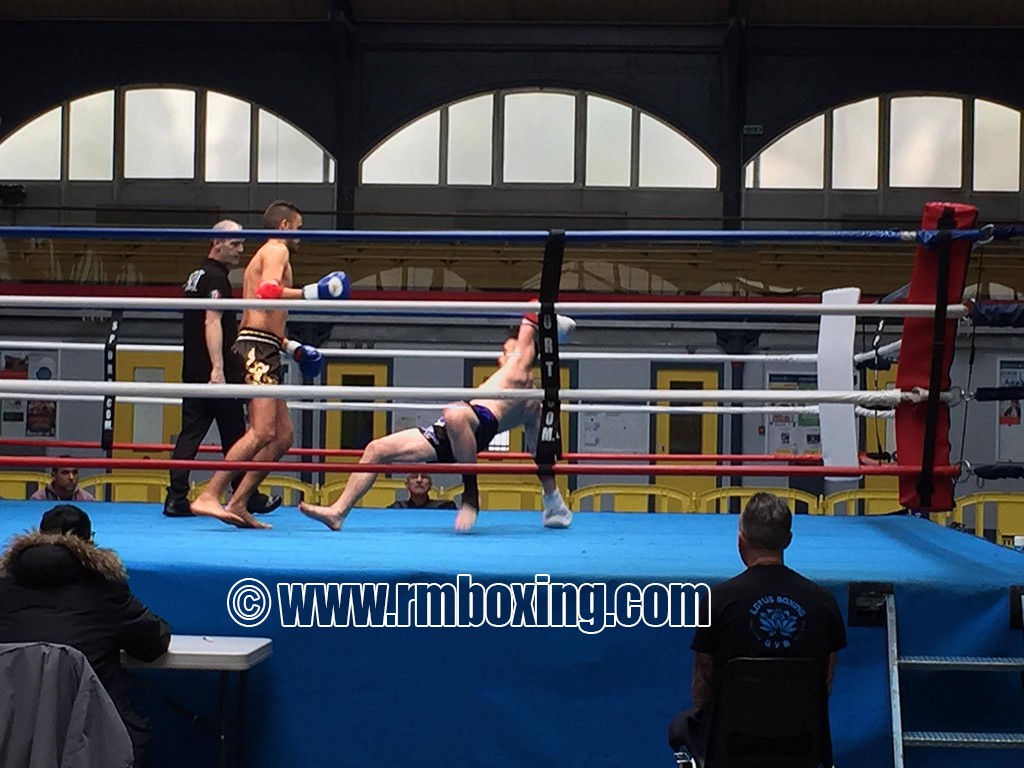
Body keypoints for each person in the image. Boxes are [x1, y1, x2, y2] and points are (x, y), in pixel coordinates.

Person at [299, 313, 576, 532]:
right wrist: (554, 501)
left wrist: (558, 327)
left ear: (524, 350)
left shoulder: (518, 369)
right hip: (449, 432)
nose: (499, 357)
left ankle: (471, 497)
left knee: (455, 412)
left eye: (506, 350)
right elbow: (539, 455)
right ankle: (338, 513)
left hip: (472, 424)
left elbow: (532, 309)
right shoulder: (532, 405)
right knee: (376, 449)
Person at [190, 200, 350, 529]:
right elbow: (268, 293)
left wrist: (292, 346)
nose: (301, 235)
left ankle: (238, 502)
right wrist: (313, 293)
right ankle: (210, 493)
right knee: (262, 431)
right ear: (284, 226)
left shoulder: (264, 254)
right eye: (299, 227)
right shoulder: (277, 250)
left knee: (282, 437)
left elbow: (264, 313)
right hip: (257, 348)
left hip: (267, 346)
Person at [667, 492, 847, 765]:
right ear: (788, 540)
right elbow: (826, 684)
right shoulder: (824, 603)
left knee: (681, 725)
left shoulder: (719, 600)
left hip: (731, 744)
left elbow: (702, 687)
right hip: (802, 742)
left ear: (741, 540)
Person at [0, 505, 172, 767]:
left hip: (8, 732)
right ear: (89, 541)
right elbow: (152, 642)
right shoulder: (105, 587)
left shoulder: (3, 587)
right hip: (93, 738)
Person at [163, 219, 281, 518]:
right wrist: (218, 370)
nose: (240, 250)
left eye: (242, 243)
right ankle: (246, 495)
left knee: (193, 432)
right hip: (216, 371)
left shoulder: (196, 275)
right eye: (234, 244)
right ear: (216, 242)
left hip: (193, 366)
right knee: (237, 434)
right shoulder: (216, 278)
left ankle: (176, 497)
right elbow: (211, 320)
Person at [29, 458, 96, 501]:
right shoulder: (38, 499)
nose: (71, 477)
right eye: (65, 473)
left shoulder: (87, 499)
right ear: (54, 476)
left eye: (75, 472)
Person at [387, 472, 457, 509]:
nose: (419, 480)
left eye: (424, 477)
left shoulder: (444, 507)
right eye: (414, 476)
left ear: (430, 485)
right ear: (406, 485)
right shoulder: (397, 508)